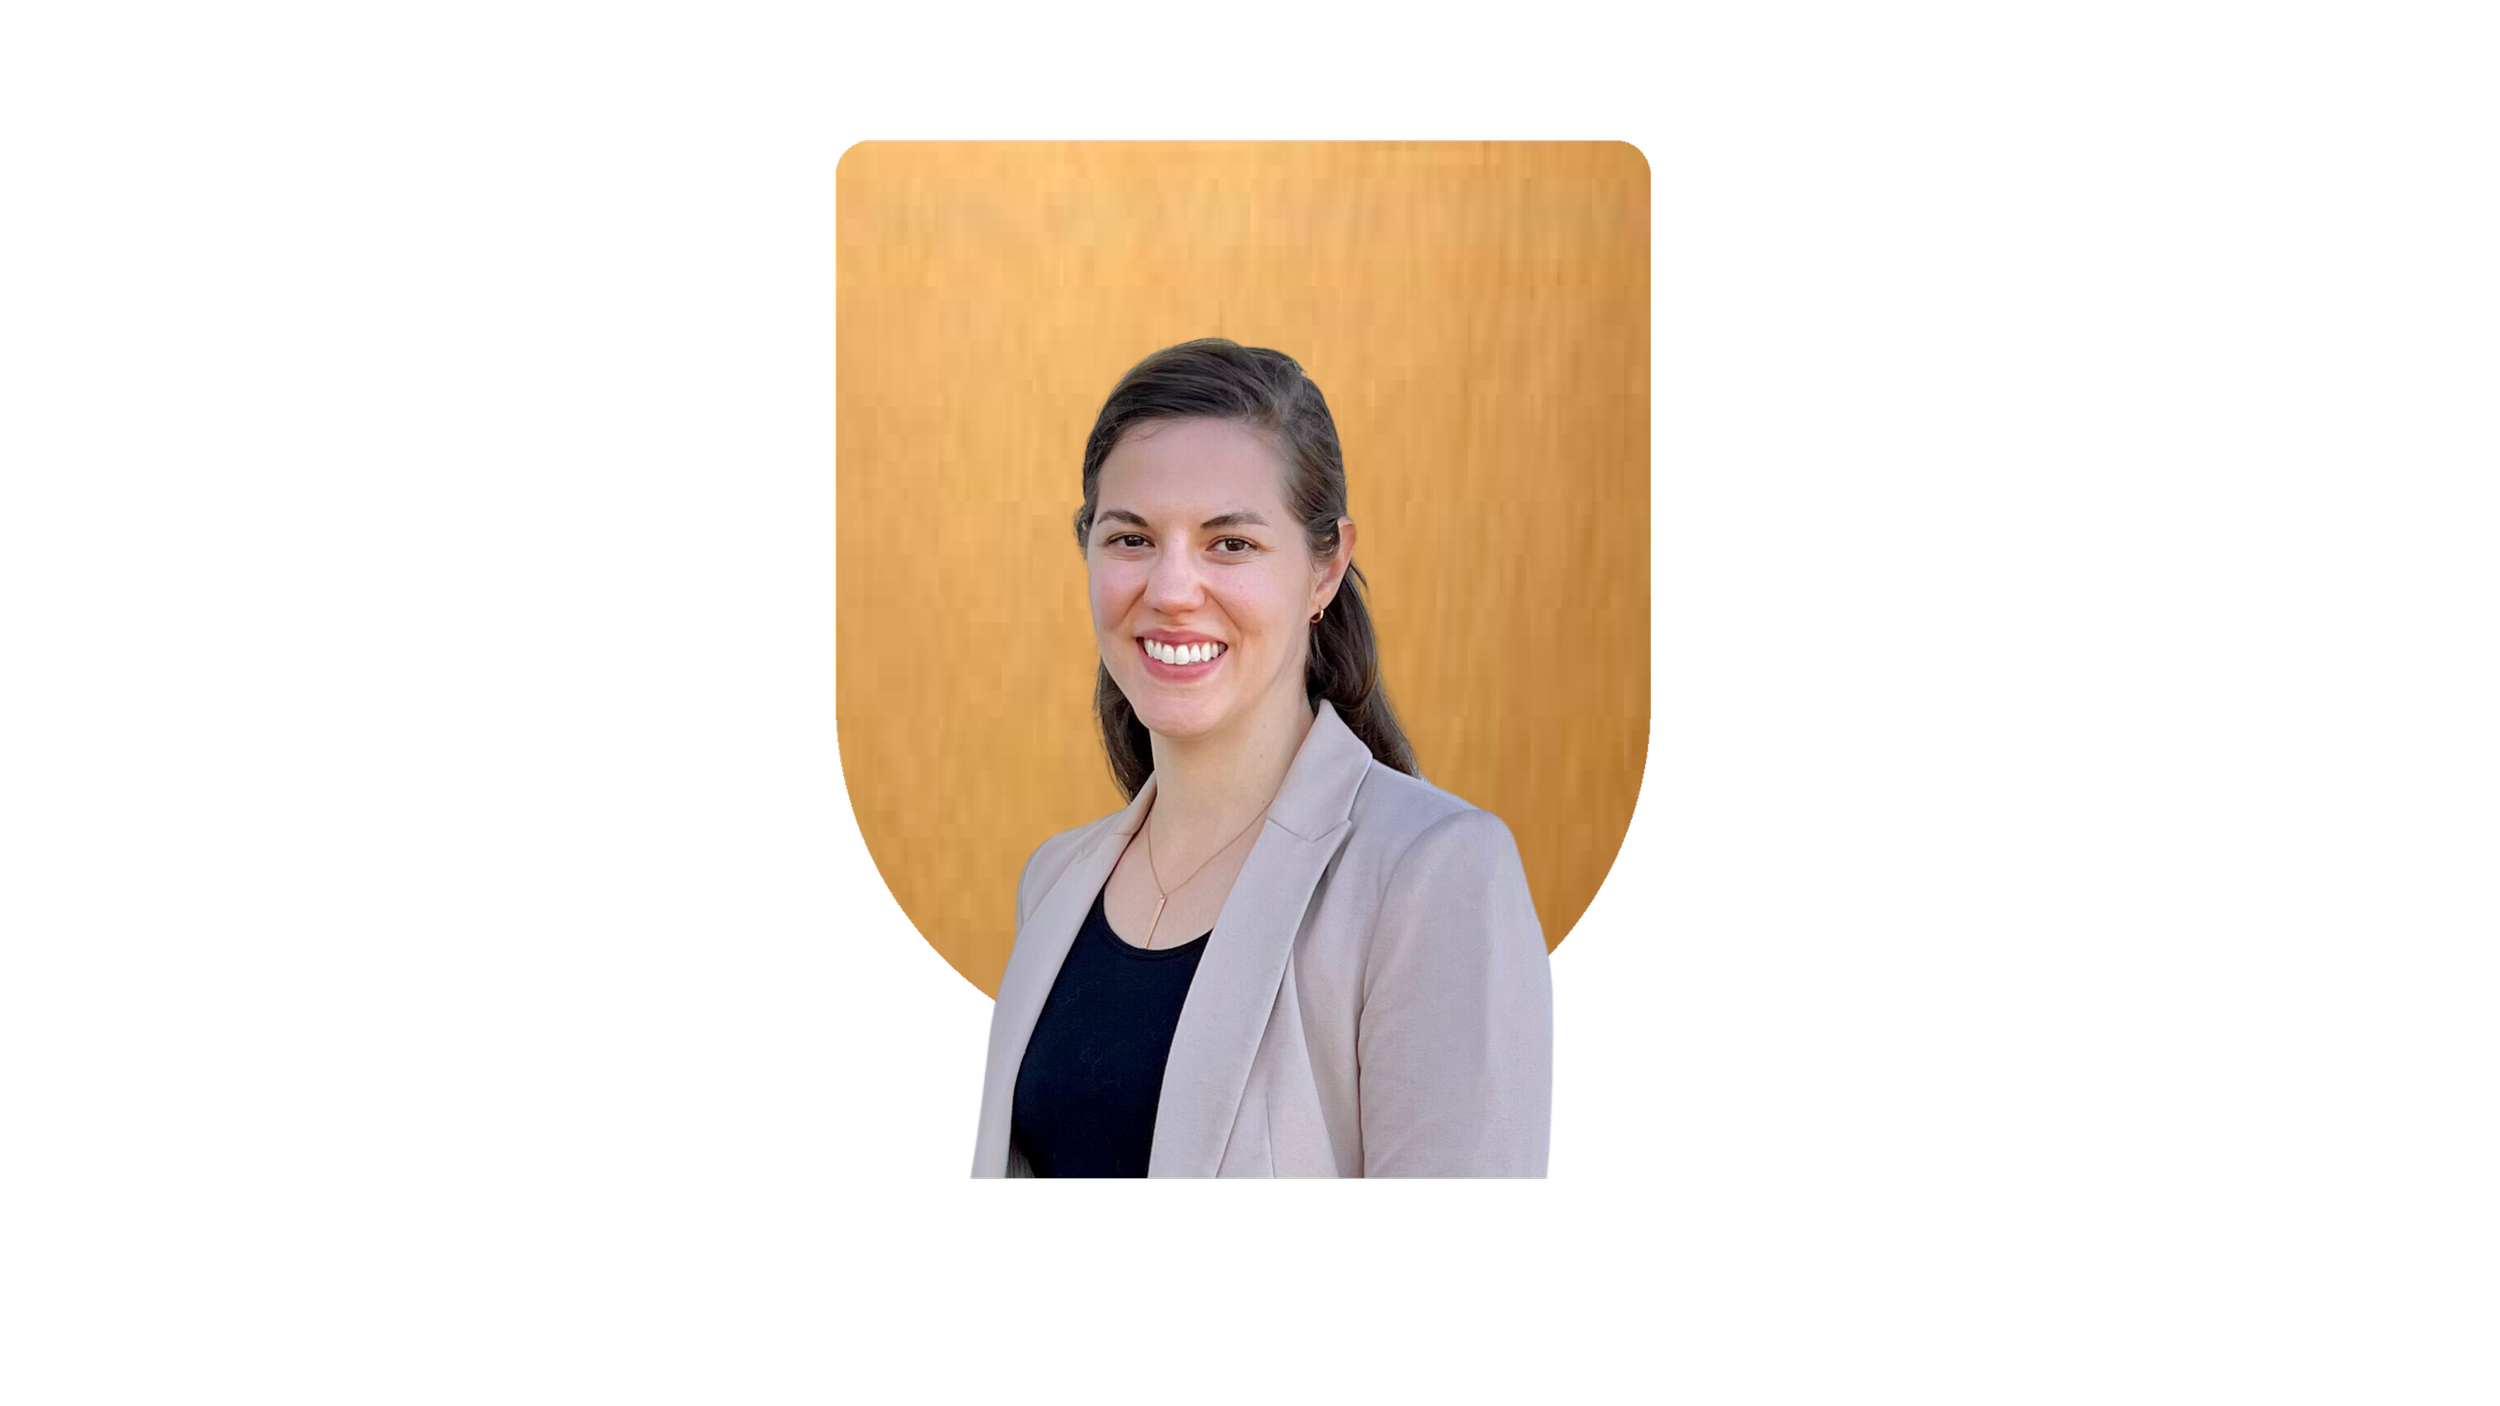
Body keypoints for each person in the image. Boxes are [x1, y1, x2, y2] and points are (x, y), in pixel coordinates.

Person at [966, 339, 1555, 1179]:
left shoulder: (1436, 875)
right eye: (1130, 538)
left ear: (1326, 568)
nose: (1170, 589)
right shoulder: (1055, 881)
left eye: (1230, 544)